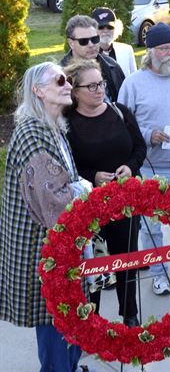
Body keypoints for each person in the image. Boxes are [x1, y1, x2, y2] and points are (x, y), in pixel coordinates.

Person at [0, 62, 93, 371]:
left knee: (70, 325)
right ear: (38, 91)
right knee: (57, 326)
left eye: (68, 80)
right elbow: (54, 199)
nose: (68, 84)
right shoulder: (31, 133)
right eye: (59, 80)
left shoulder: (52, 128)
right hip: (43, 250)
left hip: (61, 247)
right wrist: (84, 190)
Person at [64, 59, 146, 327]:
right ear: (75, 91)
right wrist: (93, 176)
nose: (99, 90)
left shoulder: (119, 111)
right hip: (91, 205)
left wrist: (130, 168)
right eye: (91, 86)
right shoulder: (67, 124)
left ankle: (130, 315)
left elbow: (139, 147)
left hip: (125, 201)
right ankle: (93, 318)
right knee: (94, 262)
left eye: (100, 83)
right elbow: (67, 165)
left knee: (127, 259)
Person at [117, 23, 170, 296]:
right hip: (151, 167)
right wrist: (149, 135)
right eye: (164, 48)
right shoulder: (134, 83)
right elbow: (123, 124)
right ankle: (158, 273)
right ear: (150, 52)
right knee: (152, 226)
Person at [61, 15, 126, 103]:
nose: (91, 45)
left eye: (95, 39)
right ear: (71, 43)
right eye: (83, 41)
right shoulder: (60, 73)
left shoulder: (112, 66)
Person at [92, 7, 137, 77]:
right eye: (101, 27)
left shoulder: (127, 50)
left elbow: (134, 80)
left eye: (110, 27)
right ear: (92, 30)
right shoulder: (88, 53)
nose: (106, 31)